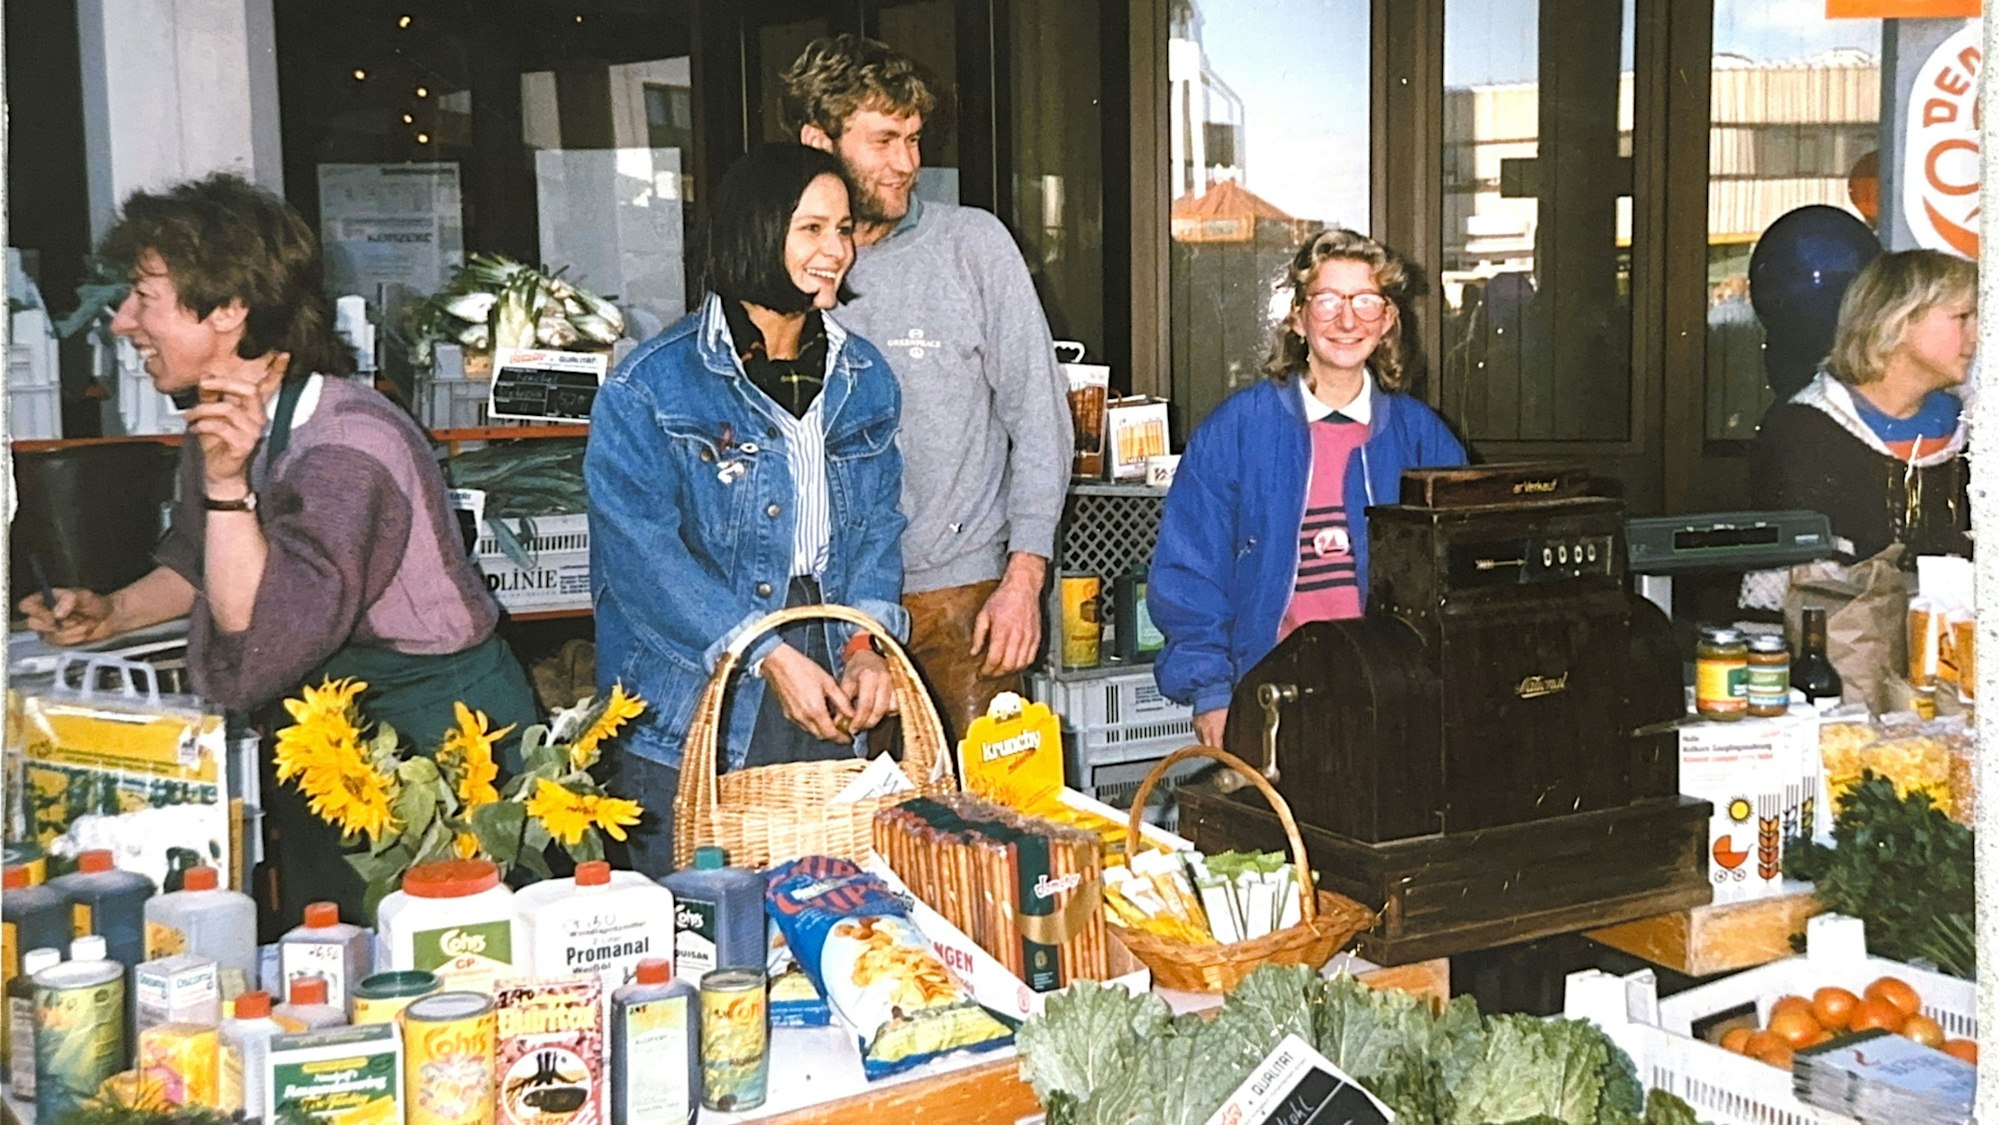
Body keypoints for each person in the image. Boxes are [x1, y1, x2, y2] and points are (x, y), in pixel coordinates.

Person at [18, 173, 536, 921]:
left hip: (443, 753)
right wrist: (112, 613)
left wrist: (230, 489)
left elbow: (261, 640)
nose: (123, 321)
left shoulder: (348, 448)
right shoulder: (230, 418)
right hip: (338, 739)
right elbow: (208, 564)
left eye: (144, 297)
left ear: (229, 310)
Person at [587, 143, 908, 876]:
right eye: (812, 229)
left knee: (821, 899)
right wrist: (763, 652)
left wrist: (867, 645)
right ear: (757, 230)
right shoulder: (651, 387)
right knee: (694, 924)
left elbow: (877, 528)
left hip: (821, 670)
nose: (837, 251)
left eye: (844, 229)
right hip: (689, 693)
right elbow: (642, 558)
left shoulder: (863, 377)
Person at [782, 34, 1072, 740]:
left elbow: (1040, 414)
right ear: (818, 141)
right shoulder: (787, 259)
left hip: (965, 602)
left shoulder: (973, 245)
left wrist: (1023, 580)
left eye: (913, 139)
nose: (908, 163)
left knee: (986, 826)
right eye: (884, 140)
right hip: (830, 612)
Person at [1149, 229, 1468, 748]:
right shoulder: (1236, 431)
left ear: (1388, 319)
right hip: (1272, 696)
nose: (1347, 321)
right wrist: (1212, 692)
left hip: (1398, 696)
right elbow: (1190, 574)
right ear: (1297, 317)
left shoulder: (1422, 437)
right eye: (1328, 301)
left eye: (1366, 301)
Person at [1749, 248, 1975, 563]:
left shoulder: (1976, 428)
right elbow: (1791, 584)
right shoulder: (1806, 432)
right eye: (1963, 317)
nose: (1977, 335)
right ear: (1899, 319)